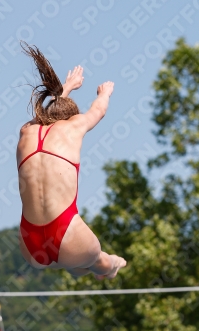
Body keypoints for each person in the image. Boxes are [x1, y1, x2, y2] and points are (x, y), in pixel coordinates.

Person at [16, 42, 126, 279]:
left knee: (75, 263)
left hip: (31, 245)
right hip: (68, 232)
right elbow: (98, 111)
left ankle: (77, 267)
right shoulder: (73, 126)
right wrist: (104, 93)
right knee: (100, 260)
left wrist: (66, 89)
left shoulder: (27, 131)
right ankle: (107, 268)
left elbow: (42, 116)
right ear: (71, 117)